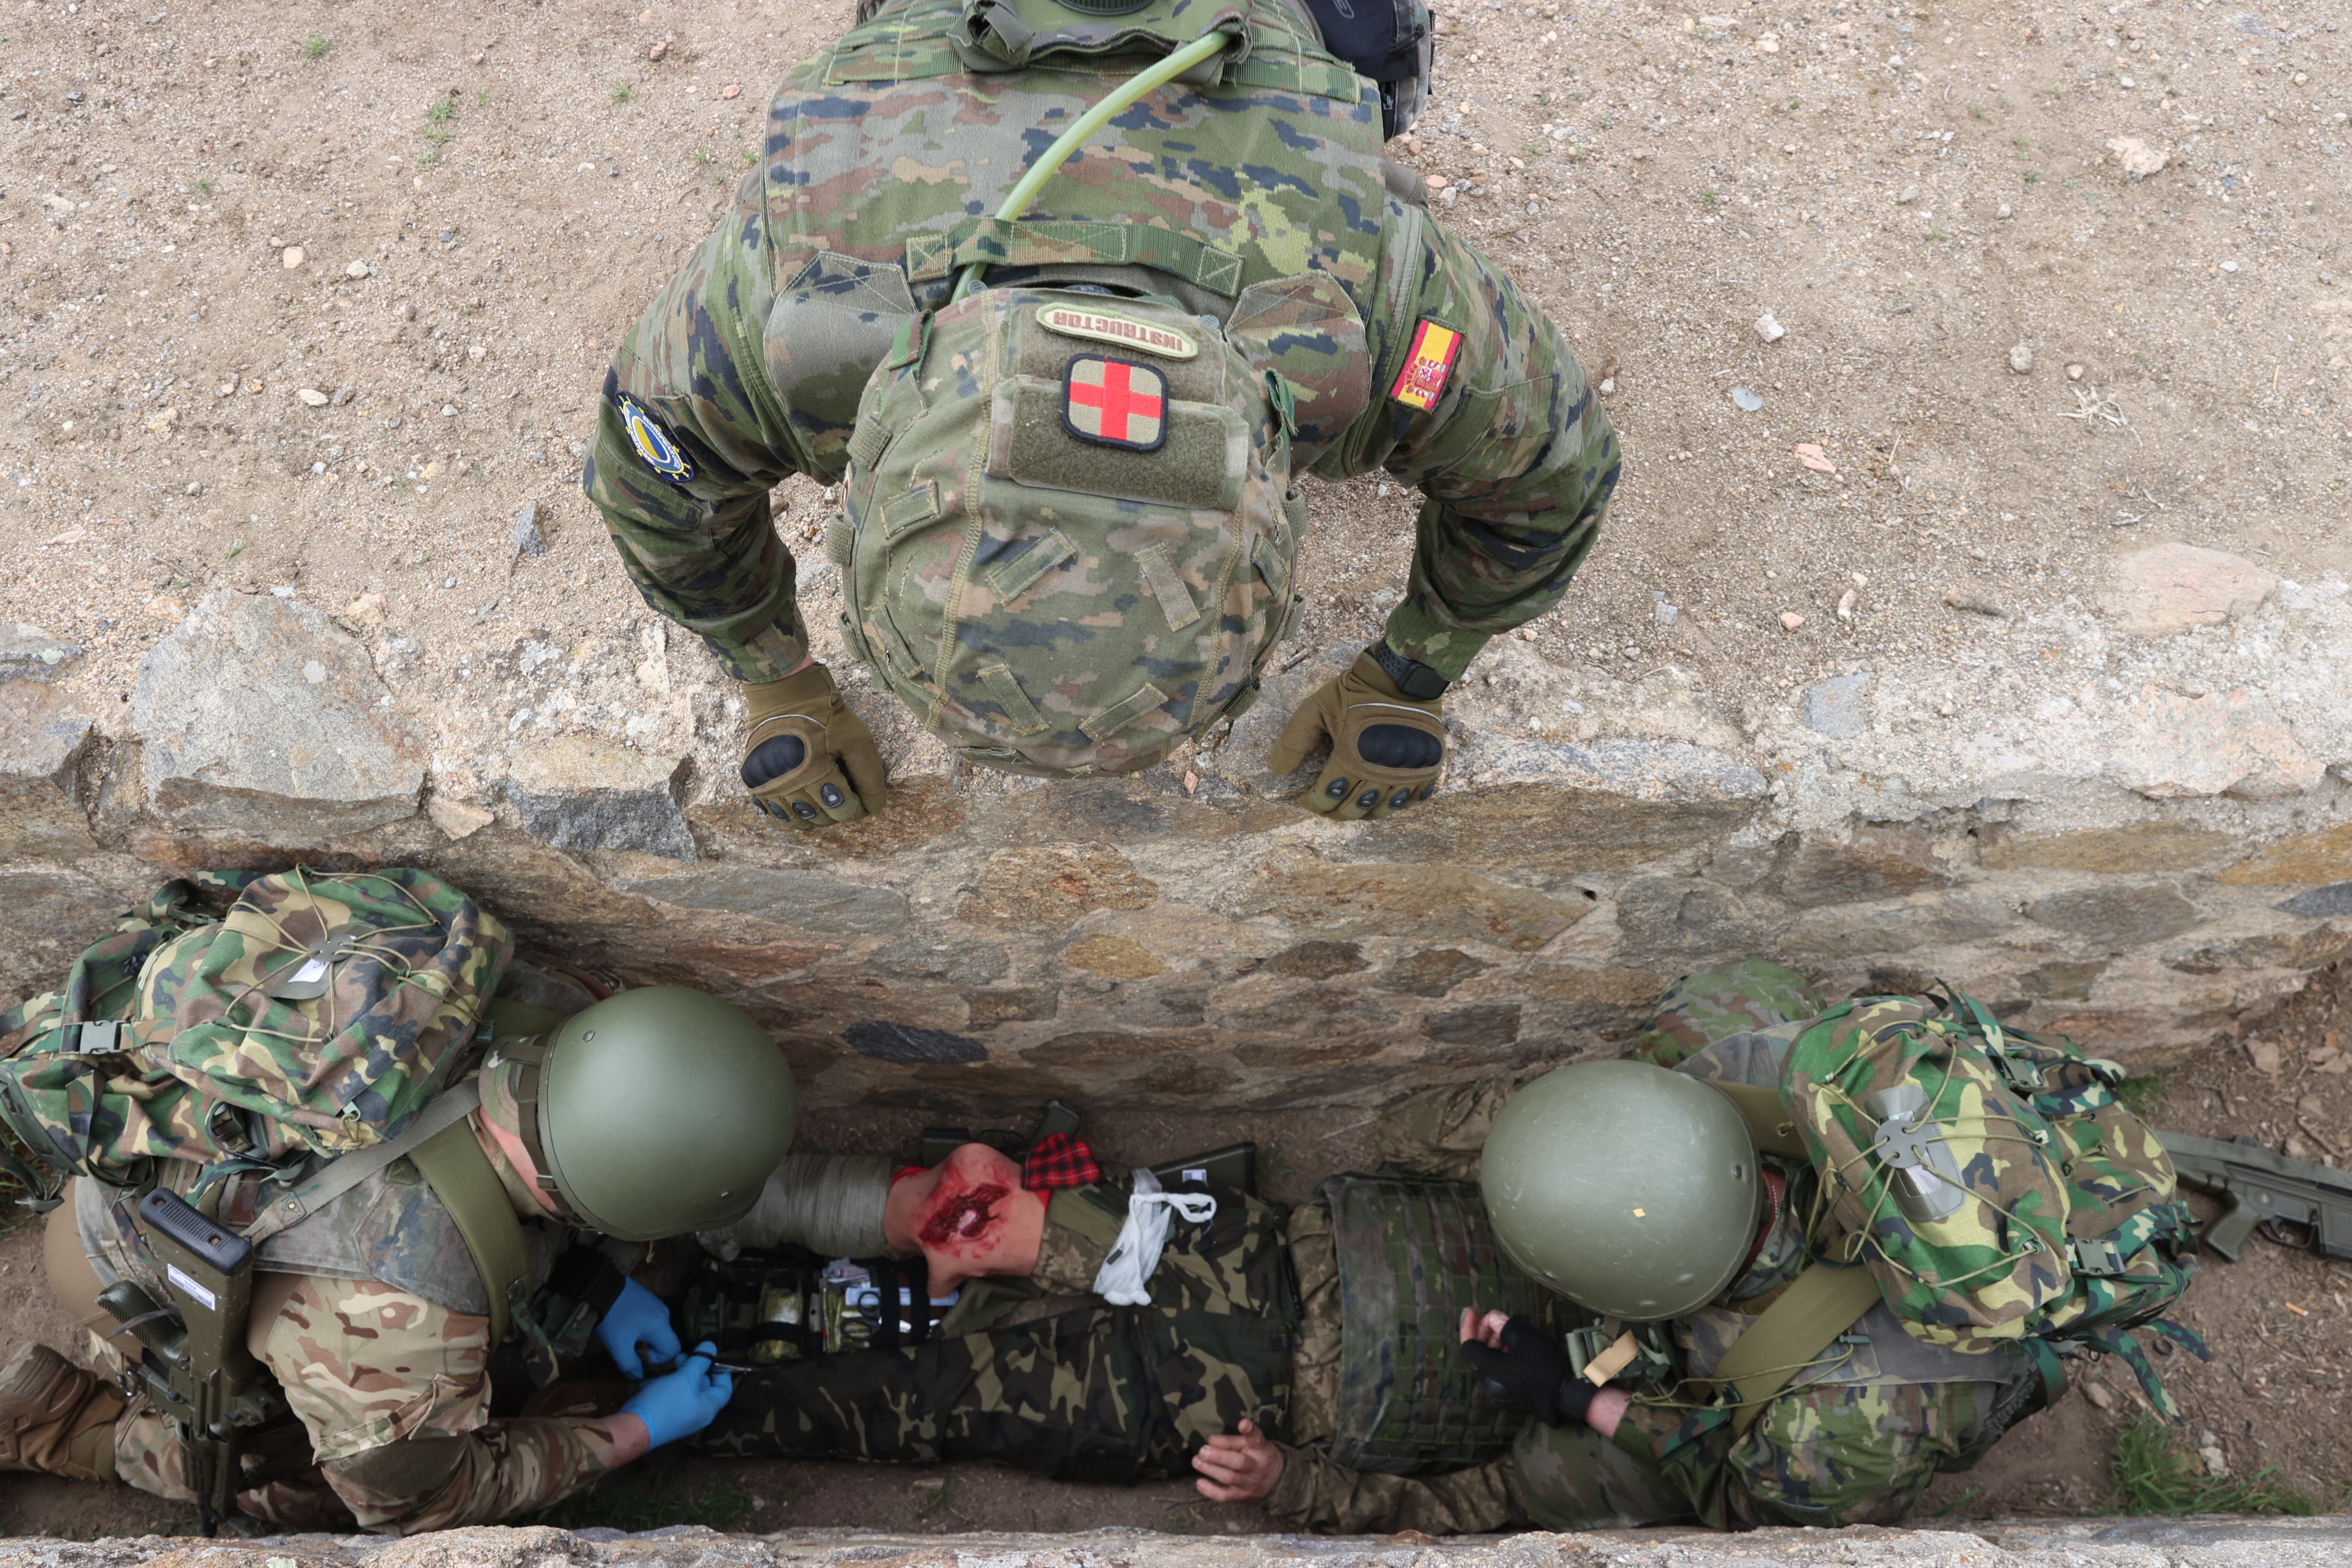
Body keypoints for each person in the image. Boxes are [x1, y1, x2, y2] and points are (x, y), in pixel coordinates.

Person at [584, 0, 1620, 831]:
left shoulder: (1383, 308)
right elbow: (654, 475)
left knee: (1367, 43)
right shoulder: (788, 305)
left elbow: (1553, 472)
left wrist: (1416, 669)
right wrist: (777, 681)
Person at [692, 964, 2196, 1534]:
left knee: (940, 1398)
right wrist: (1083, 1236)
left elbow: (1480, 1510)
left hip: (1268, 1409)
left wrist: (1306, 1485)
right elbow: (1426, 1124)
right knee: (1000, 1222)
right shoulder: (1715, 1065)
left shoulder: (1826, 1420)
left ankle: (694, 1398)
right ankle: (719, 1228)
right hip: (1270, 1250)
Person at [0, 870, 798, 1535]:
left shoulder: (527, 998)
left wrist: (599, 1288)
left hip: (142, 1133)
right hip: (122, 1261)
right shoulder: (409, 1322)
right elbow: (416, 1505)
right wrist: (634, 1432)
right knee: (291, 1479)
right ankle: (73, 1429)